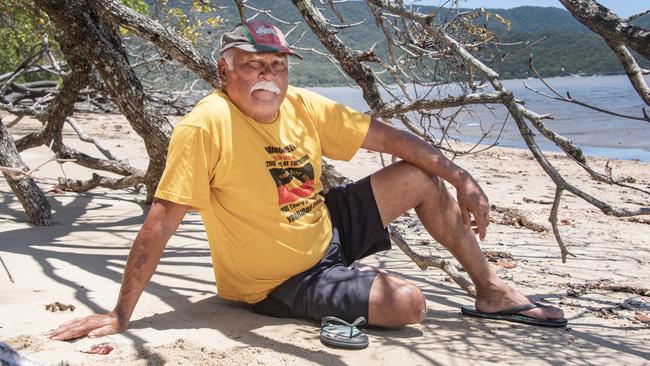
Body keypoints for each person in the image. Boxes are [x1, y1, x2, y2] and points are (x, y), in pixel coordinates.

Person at [48, 20, 566, 342]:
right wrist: (121, 312)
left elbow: (392, 140)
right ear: (224, 73)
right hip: (276, 281)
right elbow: (160, 222)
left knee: (420, 177)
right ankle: (336, 293)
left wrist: (463, 177)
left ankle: (491, 290)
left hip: (324, 230)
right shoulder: (206, 125)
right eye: (253, 65)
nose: (268, 75)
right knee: (408, 305)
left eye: (276, 64)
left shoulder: (300, 105)